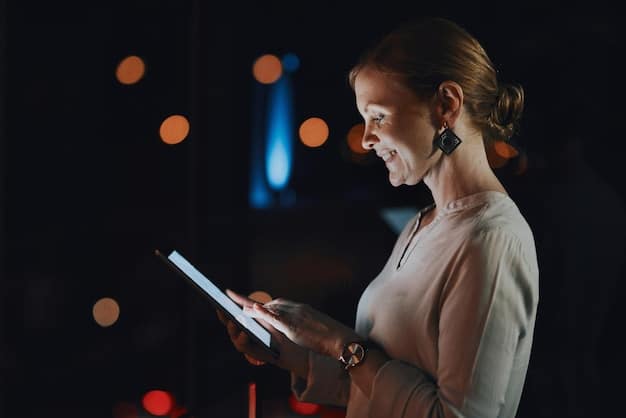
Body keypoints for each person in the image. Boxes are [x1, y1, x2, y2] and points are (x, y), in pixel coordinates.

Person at [218, 16, 539, 418]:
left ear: (446, 105)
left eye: (379, 116)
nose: (367, 138)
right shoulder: (420, 225)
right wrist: (295, 353)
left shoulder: (491, 240)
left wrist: (338, 342)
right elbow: (387, 384)